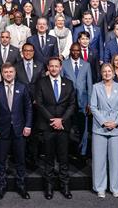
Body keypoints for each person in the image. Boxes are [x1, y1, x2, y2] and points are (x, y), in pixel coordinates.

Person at [0, 63, 32, 200]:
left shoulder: (22, 87)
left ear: (15, 73)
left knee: (20, 160)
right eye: (6, 72)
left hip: (20, 129)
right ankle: (1, 187)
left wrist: (28, 125)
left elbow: (28, 108)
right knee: (1, 161)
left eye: (11, 71)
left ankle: (21, 186)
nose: (8, 74)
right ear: (2, 73)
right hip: (2, 130)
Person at [35, 57, 75, 200]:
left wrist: (61, 120)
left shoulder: (69, 84)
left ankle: (65, 187)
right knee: (49, 159)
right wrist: (53, 120)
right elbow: (39, 104)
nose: (53, 69)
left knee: (64, 158)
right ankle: (49, 188)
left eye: (56, 66)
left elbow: (71, 105)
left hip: (63, 126)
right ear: (48, 67)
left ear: (60, 67)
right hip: (47, 126)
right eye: (51, 66)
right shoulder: (41, 83)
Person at [90, 64, 118, 198]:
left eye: (109, 71)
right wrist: (104, 122)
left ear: (113, 72)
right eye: (104, 71)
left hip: (116, 128)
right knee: (99, 160)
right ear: (101, 73)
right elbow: (93, 107)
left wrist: (115, 122)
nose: (107, 73)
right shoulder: (96, 87)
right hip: (100, 127)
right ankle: (100, 188)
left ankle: (116, 188)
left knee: (116, 161)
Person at [61, 43, 93, 159]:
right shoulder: (64, 64)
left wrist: (90, 103)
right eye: (73, 50)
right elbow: (61, 83)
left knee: (83, 128)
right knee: (68, 127)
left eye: (77, 50)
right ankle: (68, 151)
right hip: (68, 102)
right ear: (70, 51)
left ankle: (83, 151)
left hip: (83, 101)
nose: (75, 52)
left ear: (80, 51)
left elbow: (89, 85)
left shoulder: (86, 65)